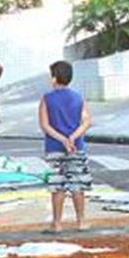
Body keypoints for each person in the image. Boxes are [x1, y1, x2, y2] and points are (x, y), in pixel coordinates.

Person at [38, 60, 93, 233]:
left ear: (54, 78)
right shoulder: (78, 97)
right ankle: (81, 221)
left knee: (58, 186)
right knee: (78, 184)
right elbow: (86, 122)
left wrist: (62, 139)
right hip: (76, 145)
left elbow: (45, 125)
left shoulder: (47, 99)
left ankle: (57, 223)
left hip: (54, 146)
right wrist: (72, 138)